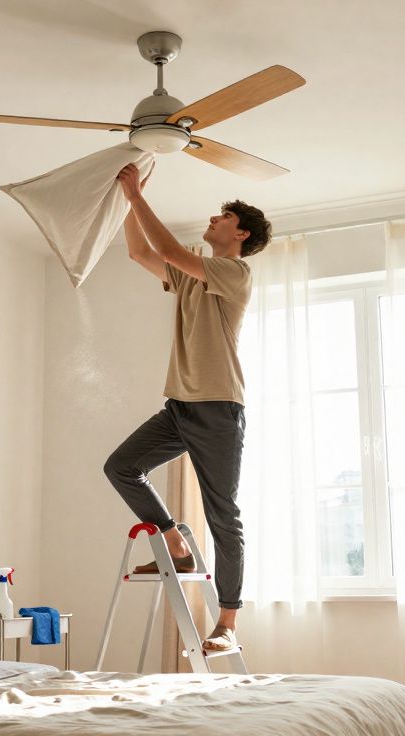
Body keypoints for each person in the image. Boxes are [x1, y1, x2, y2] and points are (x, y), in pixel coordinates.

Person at [102, 162, 271, 652]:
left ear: (239, 233)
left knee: (223, 514)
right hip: (179, 406)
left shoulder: (235, 272)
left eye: (222, 217)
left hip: (219, 408)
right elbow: (139, 252)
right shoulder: (190, 279)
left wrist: (136, 196)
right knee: (122, 466)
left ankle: (228, 626)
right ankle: (174, 543)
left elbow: (170, 250)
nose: (213, 220)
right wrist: (126, 201)